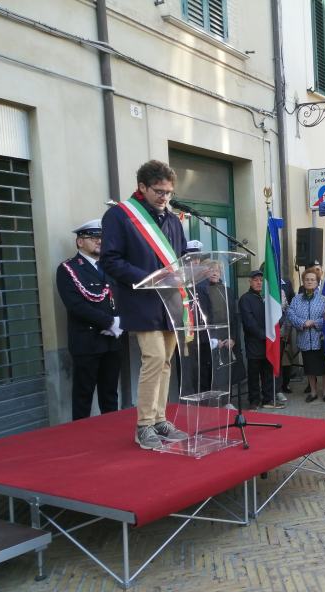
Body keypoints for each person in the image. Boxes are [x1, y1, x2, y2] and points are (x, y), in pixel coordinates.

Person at [100, 159, 189, 450]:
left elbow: (182, 257)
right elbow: (110, 260)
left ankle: (161, 419)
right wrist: (148, 278)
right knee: (152, 359)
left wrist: (188, 273)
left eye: (168, 192)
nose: (164, 197)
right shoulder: (120, 216)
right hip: (141, 300)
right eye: (159, 191)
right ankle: (144, 425)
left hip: (170, 301)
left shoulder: (173, 220)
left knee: (165, 362)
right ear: (142, 187)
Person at [56, 219, 122, 420]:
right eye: (93, 237)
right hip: (87, 342)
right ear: (80, 242)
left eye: (102, 237)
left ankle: (110, 433)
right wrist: (109, 322)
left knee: (110, 395)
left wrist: (121, 321)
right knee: (83, 396)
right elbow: (76, 305)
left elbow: (123, 297)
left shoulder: (111, 267)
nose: (99, 241)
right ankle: (81, 440)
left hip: (113, 341)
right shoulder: (69, 269)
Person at [195, 259, 244, 397]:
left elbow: (233, 317)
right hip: (211, 339)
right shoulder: (201, 290)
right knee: (211, 373)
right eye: (211, 270)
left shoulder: (227, 291)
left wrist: (233, 338)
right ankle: (211, 404)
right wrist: (214, 340)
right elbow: (203, 318)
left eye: (217, 270)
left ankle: (226, 402)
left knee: (226, 373)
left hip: (227, 337)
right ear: (204, 273)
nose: (214, 273)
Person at [239, 270, 284, 409]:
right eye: (255, 280)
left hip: (269, 342)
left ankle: (268, 399)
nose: (258, 282)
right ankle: (254, 400)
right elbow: (249, 322)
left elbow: (278, 316)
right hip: (254, 343)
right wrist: (265, 335)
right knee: (254, 373)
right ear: (250, 282)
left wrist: (274, 330)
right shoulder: (245, 299)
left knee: (267, 372)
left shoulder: (269, 298)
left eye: (260, 280)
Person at [287, 269, 325, 402]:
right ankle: (313, 392)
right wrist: (303, 323)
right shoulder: (296, 299)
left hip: (321, 339)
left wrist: (315, 323)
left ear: (317, 282)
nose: (310, 282)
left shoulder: (324, 299)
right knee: (310, 367)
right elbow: (290, 314)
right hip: (305, 339)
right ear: (303, 282)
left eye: (312, 280)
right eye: (307, 279)